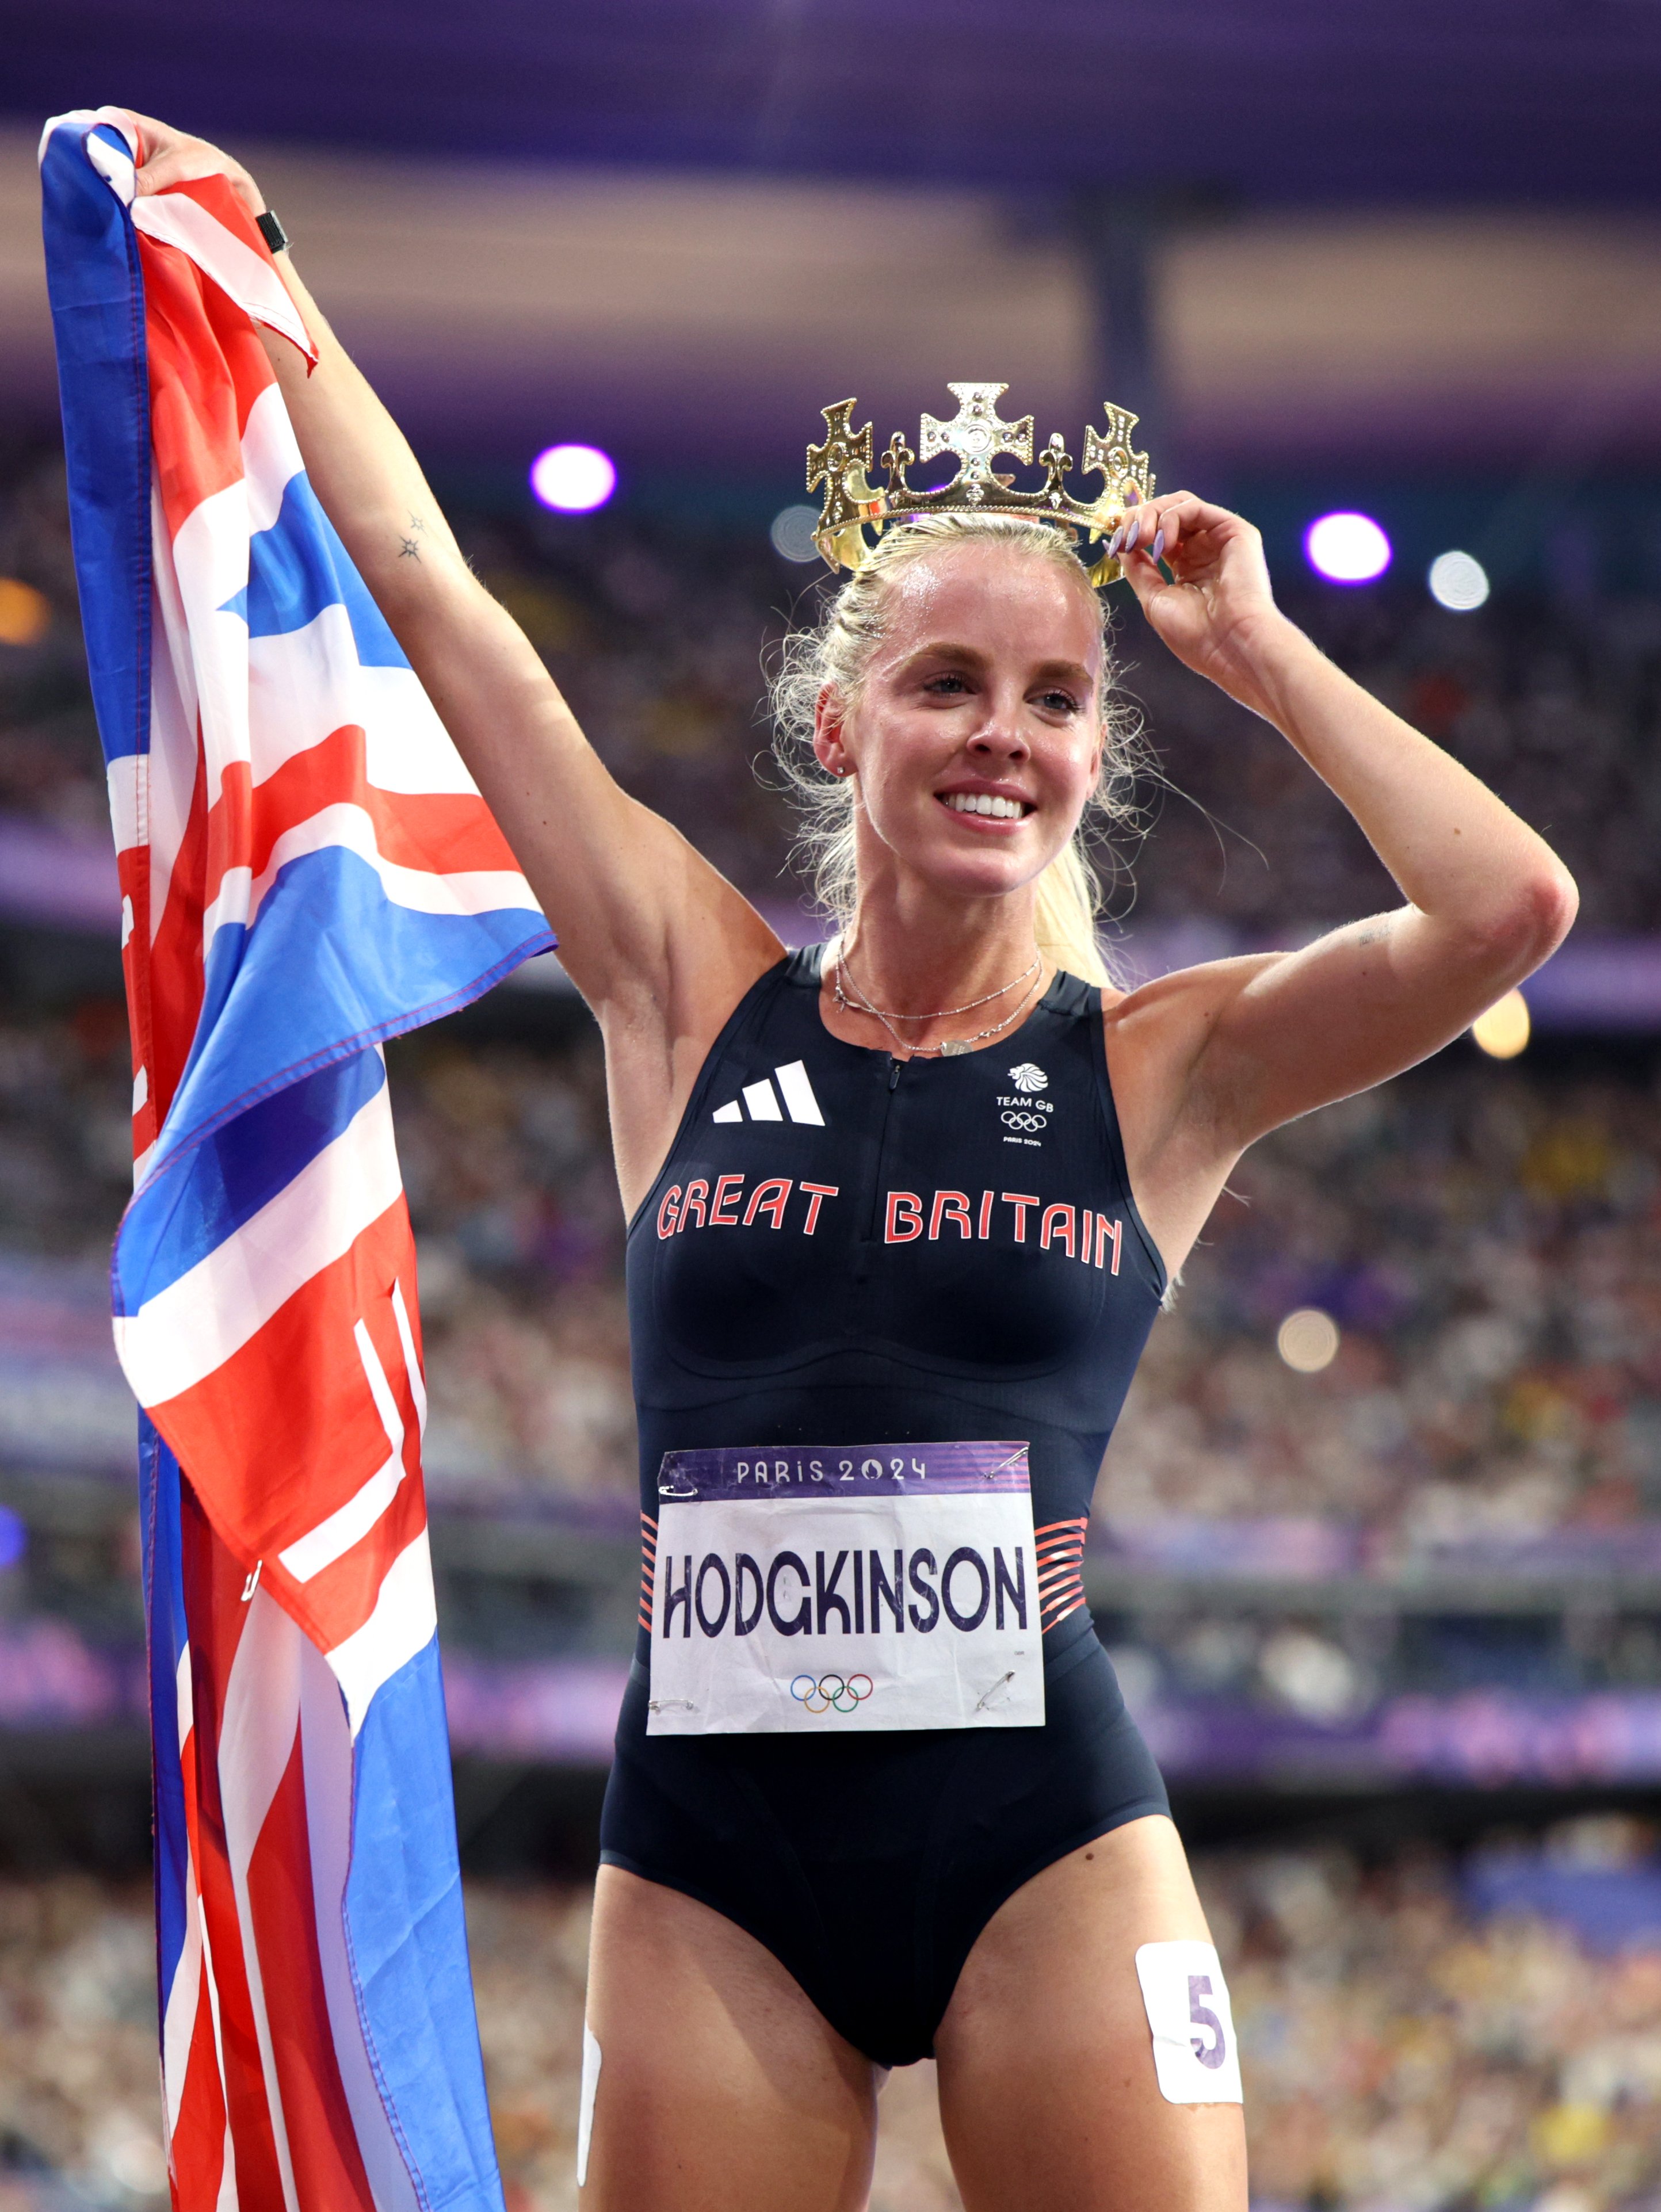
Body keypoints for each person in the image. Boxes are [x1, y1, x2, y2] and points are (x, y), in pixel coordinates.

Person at [122, 113, 1578, 2212]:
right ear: (840, 726)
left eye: (1056, 701)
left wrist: (1258, 654)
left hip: (1045, 1841)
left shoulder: (1164, 1070)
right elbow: (442, 598)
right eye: (949, 684)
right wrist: (263, 276)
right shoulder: (683, 989)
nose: (1004, 732)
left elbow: (1507, 908)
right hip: (714, 1862)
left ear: (1095, 757)